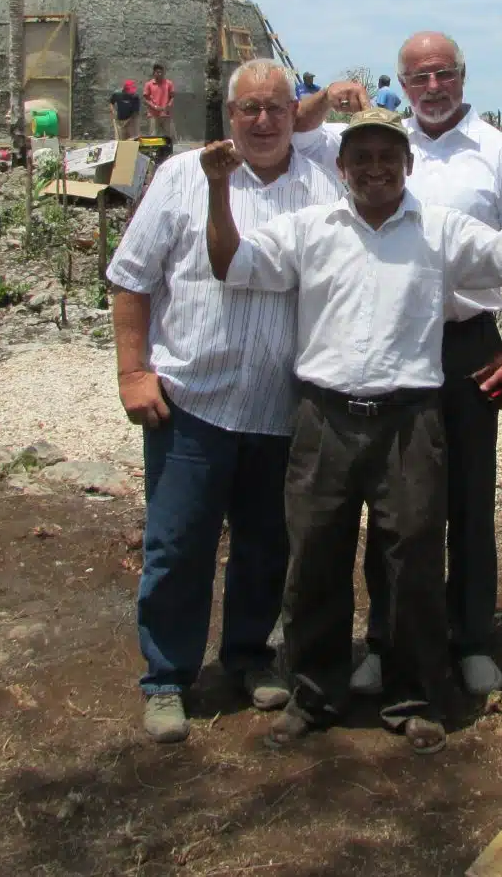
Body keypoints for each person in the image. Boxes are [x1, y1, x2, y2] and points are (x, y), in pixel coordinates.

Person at [203, 106, 502, 754]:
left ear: (408, 164)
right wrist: (218, 187)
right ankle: (313, 695)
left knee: (413, 563)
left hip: (410, 423)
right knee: (314, 560)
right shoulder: (311, 228)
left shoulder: (440, 229)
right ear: (342, 166)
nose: (375, 168)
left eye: (387, 156)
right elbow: (230, 263)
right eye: (361, 158)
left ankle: (415, 696)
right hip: (323, 419)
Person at [105, 59, 346, 746]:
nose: (264, 121)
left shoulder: (321, 186)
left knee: (268, 547)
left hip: (283, 408)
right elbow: (131, 278)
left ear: (294, 114)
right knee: (178, 545)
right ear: (229, 116)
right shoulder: (183, 177)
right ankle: (166, 677)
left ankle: (248, 656)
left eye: (276, 108)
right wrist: (133, 371)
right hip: (191, 404)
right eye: (250, 110)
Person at [350, 32, 502, 702]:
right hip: (396, 342)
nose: (432, 87)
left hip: (469, 345)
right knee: (391, 499)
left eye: (443, 74)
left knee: (469, 499)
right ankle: (386, 639)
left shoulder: (501, 156)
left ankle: (471, 637)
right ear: (401, 83)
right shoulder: (383, 149)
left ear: (463, 75)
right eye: (418, 77)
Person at [142, 63, 175, 138]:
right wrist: (154, 107)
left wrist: (169, 105)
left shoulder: (169, 83)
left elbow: (172, 96)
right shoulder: (149, 84)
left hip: (166, 114)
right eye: (158, 72)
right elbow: (145, 99)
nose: (160, 74)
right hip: (153, 115)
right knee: (153, 136)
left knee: (168, 137)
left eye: (161, 72)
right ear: (154, 73)